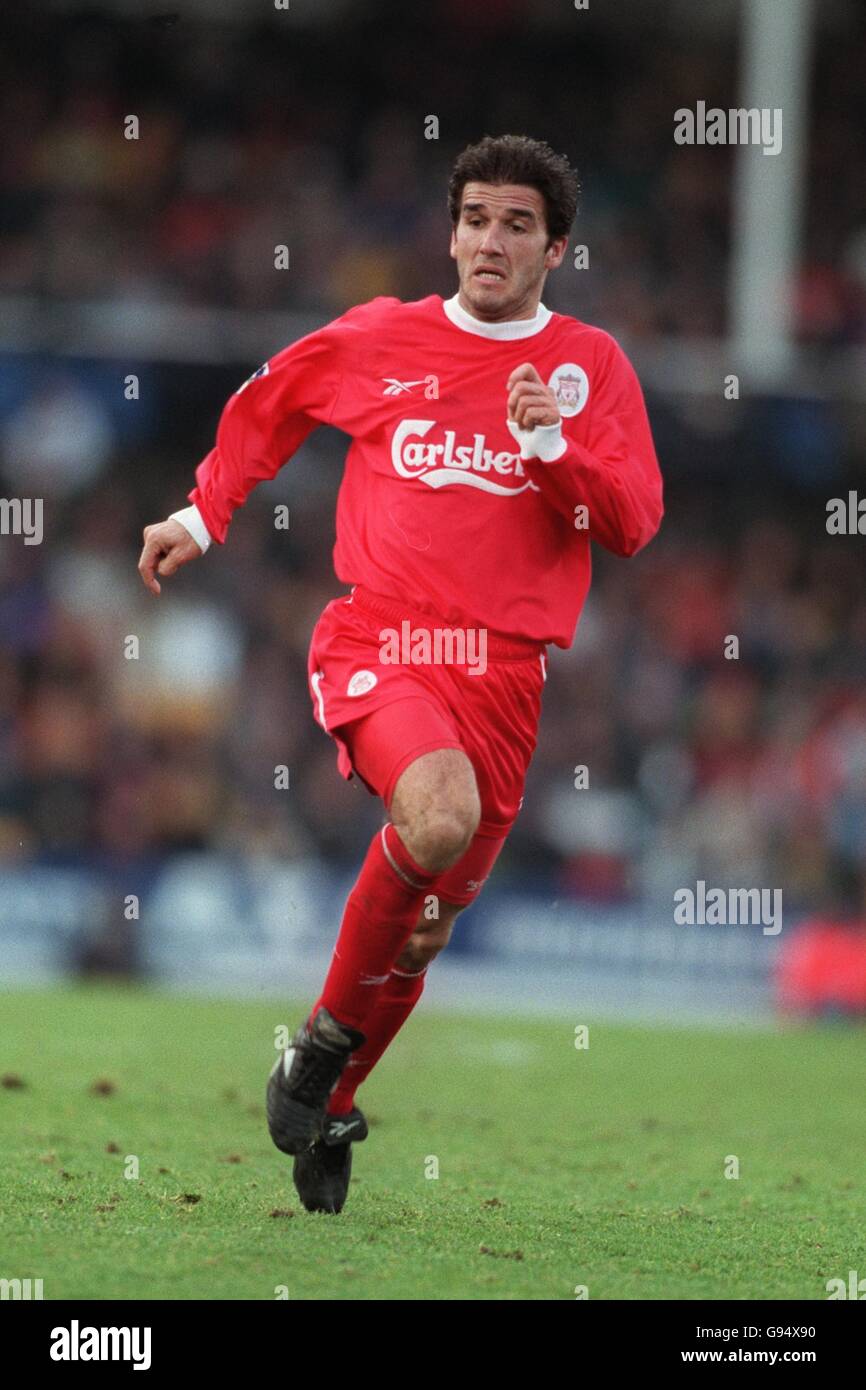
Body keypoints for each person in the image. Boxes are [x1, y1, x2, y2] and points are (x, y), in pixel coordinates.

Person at [137, 134, 664, 1214]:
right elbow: (270, 402)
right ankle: (319, 1051)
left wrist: (552, 446)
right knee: (435, 814)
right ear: (450, 230)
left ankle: (323, 1100)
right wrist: (205, 507)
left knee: (424, 930)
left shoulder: (588, 368)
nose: (489, 239)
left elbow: (630, 523)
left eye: (517, 223)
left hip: (507, 676)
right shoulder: (382, 336)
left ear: (554, 248)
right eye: (474, 217)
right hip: (384, 640)